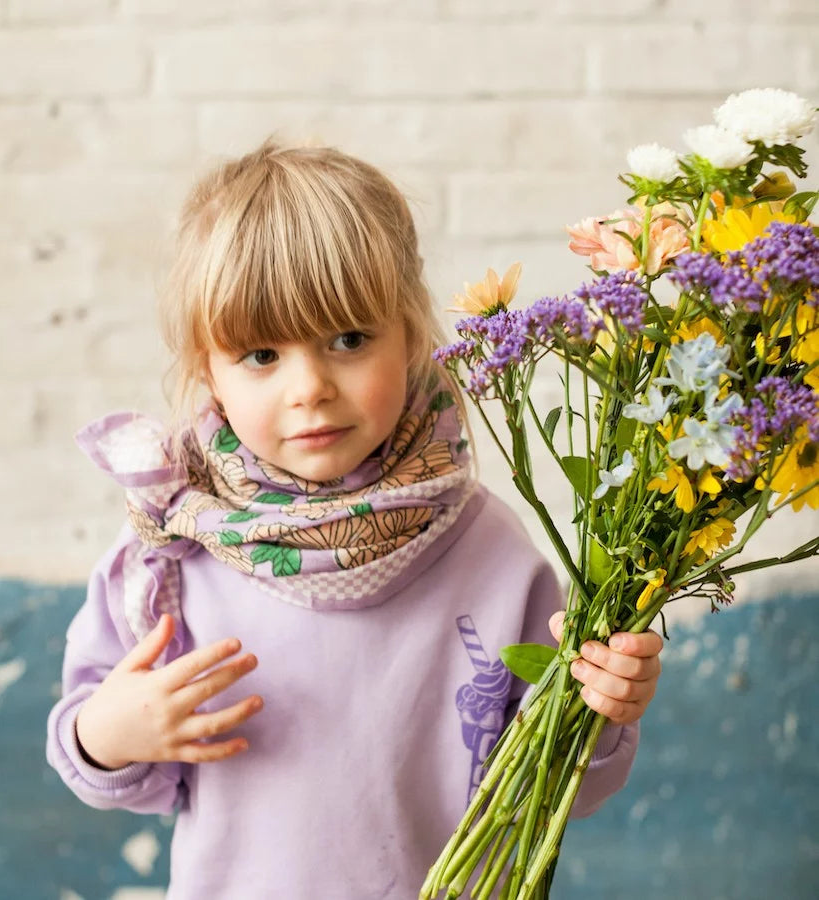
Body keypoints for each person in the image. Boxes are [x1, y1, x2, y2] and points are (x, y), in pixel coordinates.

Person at [46, 141, 663, 899]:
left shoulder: (491, 550)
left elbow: (563, 787)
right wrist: (108, 735)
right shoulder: (174, 547)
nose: (309, 387)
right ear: (208, 369)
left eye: (348, 340)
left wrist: (599, 708)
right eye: (261, 354)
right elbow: (94, 748)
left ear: (408, 336)